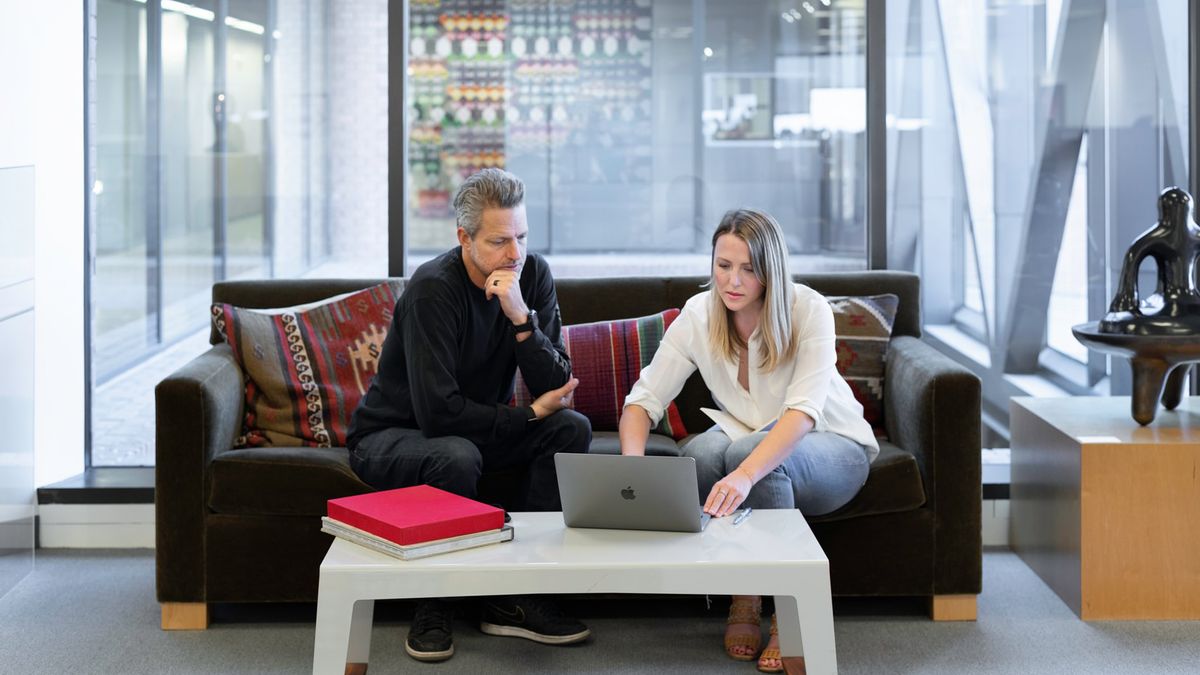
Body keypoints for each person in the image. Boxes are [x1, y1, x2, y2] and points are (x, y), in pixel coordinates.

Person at [346, 168, 593, 663]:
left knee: (571, 429)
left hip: (472, 430)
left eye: (522, 237)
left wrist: (522, 320)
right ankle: (434, 602)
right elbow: (437, 415)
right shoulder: (433, 290)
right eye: (500, 241)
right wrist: (525, 418)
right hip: (393, 435)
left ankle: (516, 596)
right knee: (455, 456)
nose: (515, 253)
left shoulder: (533, 276)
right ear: (464, 237)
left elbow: (557, 385)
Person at [618, 208, 878, 673]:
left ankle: (788, 613)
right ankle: (745, 592)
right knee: (696, 453)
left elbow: (801, 413)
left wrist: (744, 474)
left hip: (834, 443)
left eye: (748, 268)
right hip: (748, 433)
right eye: (723, 265)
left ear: (770, 270)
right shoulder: (699, 314)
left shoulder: (808, 309)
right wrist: (632, 471)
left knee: (742, 453)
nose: (732, 281)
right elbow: (643, 401)